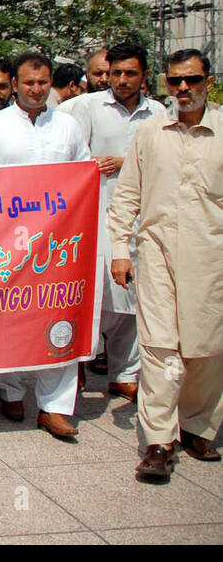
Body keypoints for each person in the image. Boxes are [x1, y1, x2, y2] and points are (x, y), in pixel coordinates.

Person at [0, 52, 90, 440]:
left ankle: (54, 407)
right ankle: (10, 389)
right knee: (6, 313)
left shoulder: (68, 126)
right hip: (6, 242)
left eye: (43, 82)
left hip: (59, 242)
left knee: (59, 316)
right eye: (29, 83)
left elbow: (83, 173)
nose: (36, 90)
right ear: (15, 85)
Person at [109, 49, 222, 482]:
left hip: (212, 257)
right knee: (159, 346)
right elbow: (128, 196)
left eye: (191, 80)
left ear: (208, 81)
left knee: (207, 347)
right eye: (174, 81)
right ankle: (158, 440)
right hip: (155, 254)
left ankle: (198, 426)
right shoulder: (150, 132)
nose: (183, 89)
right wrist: (120, 248)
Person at [60, 42, 165, 405]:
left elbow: (165, 160)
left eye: (129, 73)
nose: (121, 80)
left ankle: (125, 374)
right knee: (97, 295)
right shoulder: (87, 107)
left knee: (137, 300)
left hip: (144, 217)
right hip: (97, 215)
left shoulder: (160, 113)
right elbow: (72, 157)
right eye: (115, 72)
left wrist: (125, 163)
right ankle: (78, 364)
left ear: (145, 76)